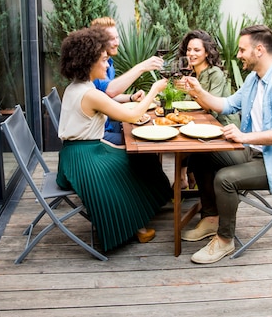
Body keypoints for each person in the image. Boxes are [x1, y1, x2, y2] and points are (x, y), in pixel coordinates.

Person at [180, 25, 272, 264]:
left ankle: (225, 240)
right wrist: (198, 92)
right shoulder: (253, 79)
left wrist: (244, 137)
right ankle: (211, 218)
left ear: (259, 50)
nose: (238, 55)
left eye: (242, 50)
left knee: (225, 178)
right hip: (254, 153)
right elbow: (226, 105)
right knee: (201, 154)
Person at [56, 26, 172, 252]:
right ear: (88, 62)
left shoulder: (79, 87)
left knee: (141, 158)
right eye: (103, 60)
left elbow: (83, 132)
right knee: (132, 164)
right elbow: (132, 115)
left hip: (79, 153)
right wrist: (154, 91)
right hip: (83, 162)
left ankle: (141, 216)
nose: (107, 65)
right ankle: (133, 225)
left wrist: (104, 144)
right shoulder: (90, 95)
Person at [175, 29, 241, 189]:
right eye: (189, 49)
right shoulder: (192, 73)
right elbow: (188, 105)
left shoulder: (215, 73)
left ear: (207, 53)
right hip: (204, 124)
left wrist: (191, 91)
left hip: (222, 127)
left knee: (185, 139)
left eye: (197, 50)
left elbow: (211, 109)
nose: (191, 53)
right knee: (180, 134)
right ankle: (185, 177)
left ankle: (186, 178)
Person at [90, 17, 163, 145]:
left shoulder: (109, 62)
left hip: (106, 127)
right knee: (145, 143)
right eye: (111, 39)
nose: (117, 43)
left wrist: (131, 98)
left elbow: (105, 95)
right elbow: (110, 90)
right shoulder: (94, 66)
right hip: (98, 136)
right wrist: (142, 67)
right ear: (98, 42)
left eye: (117, 37)